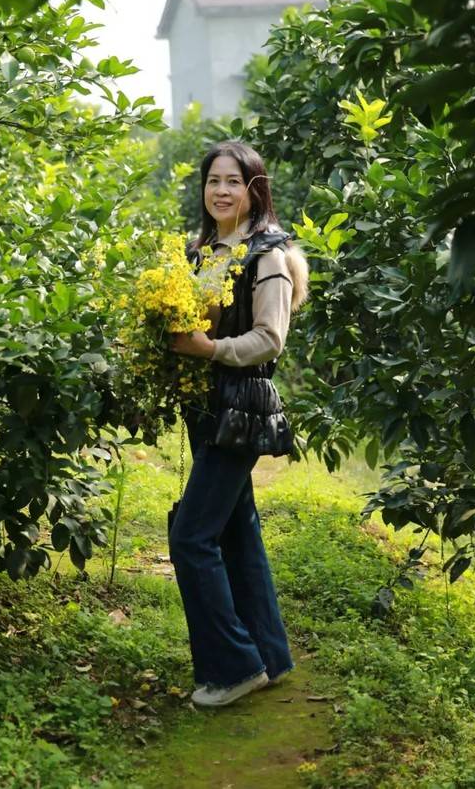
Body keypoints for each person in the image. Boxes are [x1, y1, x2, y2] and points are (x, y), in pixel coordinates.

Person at [168, 140, 309, 708]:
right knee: (234, 531)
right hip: (205, 406)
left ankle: (233, 669)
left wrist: (209, 350)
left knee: (190, 537)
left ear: (255, 190)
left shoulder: (267, 255)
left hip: (240, 406)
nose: (221, 191)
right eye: (213, 181)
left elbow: (269, 339)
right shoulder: (200, 252)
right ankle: (268, 656)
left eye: (234, 181)